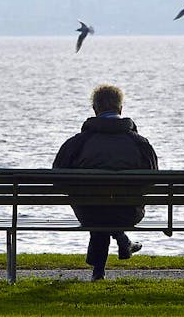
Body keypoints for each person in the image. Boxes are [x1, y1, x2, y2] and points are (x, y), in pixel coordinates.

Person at [52, 84, 158, 281]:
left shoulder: (77, 143)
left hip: (88, 213)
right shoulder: (140, 143)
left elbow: (57, 179)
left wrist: (81, 192)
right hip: (128, 213)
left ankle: (99, 271)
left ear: (95, 110)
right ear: (121, 109)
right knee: (109, 207)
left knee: (98, 208)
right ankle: (121, 241)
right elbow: (152, 180)